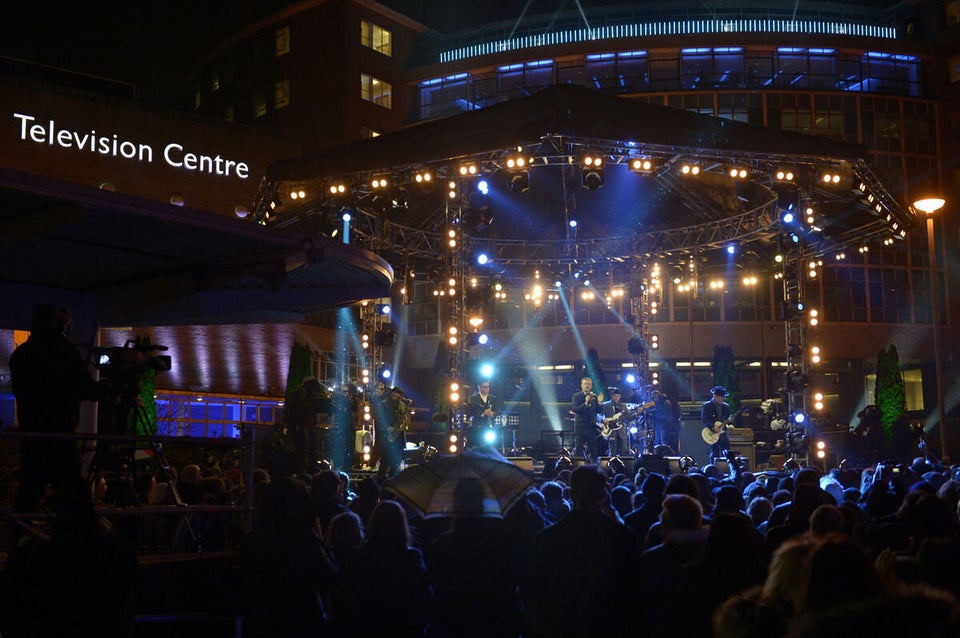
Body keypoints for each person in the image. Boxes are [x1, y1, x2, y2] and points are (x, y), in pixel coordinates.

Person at [9, 303, 106, 513]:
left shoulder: (22, 354)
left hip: (32, 436)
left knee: (29, 493)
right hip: (60, 436)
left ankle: (19, 537)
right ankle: (71, 538)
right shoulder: (63, 353)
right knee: (72, 494)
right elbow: (85, 387)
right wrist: (108, 388)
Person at [527, 465, 641, 637]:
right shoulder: (624, 536)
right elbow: (634, 593)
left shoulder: (548, 538)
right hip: (611, 626)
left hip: (563, 625)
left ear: (571, 495)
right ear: (603, 495)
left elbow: (537, 594)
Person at [285, 376, 325, 475]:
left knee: (303, 452)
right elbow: (303, 411)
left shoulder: (300, 394)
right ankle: (304, 471)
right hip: (301, 429)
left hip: (300, 428)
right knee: (303, 452)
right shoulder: (302, 394)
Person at [371, 383, 403, 476]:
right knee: (385, 458)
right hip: (387, 433)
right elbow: (380, 417)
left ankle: (393, 476)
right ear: (393, 394)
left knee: (395, 459)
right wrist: (387, 427)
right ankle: (381, 478)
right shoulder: (384, 403)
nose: (399, 396)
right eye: (398, 394)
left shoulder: (400, 404)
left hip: (396, 434)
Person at [571, 377, 602, 462]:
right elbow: (575, 409)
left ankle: (594, 469)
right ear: (581, 385)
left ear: (591, 385)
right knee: (578, 450)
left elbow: (599, 411)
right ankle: (578, 469)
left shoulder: (594, 397)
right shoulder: (576, 396)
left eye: (589, 384)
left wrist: (599, 403)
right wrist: (585, 403)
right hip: (580, 427)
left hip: (591, 427)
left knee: (594, 450)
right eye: (585, 384)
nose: (587, 385)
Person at [701, 385, 732, 463]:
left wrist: (730, 420)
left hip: (723, 434)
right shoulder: (707, 406)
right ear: (715, 396)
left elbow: (727, 418)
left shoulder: (726, 407)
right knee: (714, 453)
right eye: (721, 397)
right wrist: (712, 427)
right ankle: (713, 469)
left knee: (726, 452)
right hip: (712, 433)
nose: (723, 399)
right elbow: (705, 419)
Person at [329, 383, 357, 471]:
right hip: (339, 426)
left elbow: (353, 411)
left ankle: (347, 465)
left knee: (349, 446)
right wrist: (332, 425)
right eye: (344, 391)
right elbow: (333, 414)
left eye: (347, 391)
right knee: (339, 446)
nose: (346, 393)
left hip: (348, 426)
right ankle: (338, 465)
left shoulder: (349, 400)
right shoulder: (336, 400)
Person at [467, 380, 499, 449]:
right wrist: (483, 413)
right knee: (477, 446)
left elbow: (497, 410)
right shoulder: (473, 398)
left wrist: (493, 413)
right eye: (485, 387)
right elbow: (471, 411)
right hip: (477, 426)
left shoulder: (493, 398)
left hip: (489, 426)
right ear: (479, 387)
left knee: (490, 446)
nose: (487, 388)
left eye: (488, 387)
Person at [600, 387, 631, 458]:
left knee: (624, 450)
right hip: (611, 431)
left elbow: (628, 418)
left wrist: (637, 413)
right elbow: (598, 415)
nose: (616, 398)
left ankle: (624, 466)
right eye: (615, 396)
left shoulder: (623, 406)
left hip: (621, 431)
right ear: (612, 396)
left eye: (618, 396)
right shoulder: (606, 405)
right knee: (612, 451)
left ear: (620, 396)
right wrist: (603, 419)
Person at [652, 389, 679, 453]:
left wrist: (654, 413)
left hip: (664, 425)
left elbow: (664, 415)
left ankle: (665, 453)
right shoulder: (657, 404)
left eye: (655, 396)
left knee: (663, 441)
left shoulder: (665, 403)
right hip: (659, 425)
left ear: (659, 396)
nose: (654, 398)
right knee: (658, 441)